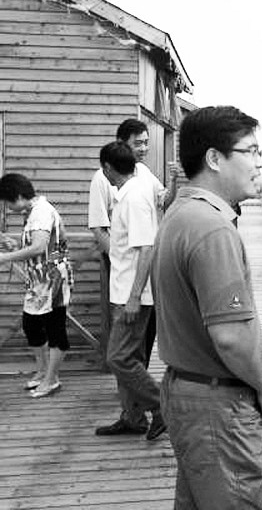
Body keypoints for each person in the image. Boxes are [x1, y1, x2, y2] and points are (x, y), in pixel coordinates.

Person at [153, 106, 262, 509]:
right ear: (214, 158)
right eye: (250, 151)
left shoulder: (181, 213)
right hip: (218, 407)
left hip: (190, 393)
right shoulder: (212, 227)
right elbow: (230, 336)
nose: (260, 163)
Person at [88, 118, 179, 368]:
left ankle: (138, 382)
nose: (144, 148)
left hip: (146, 263)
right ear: (122, 143)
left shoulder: (143, 174)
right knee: (124, 343)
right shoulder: (102, 178)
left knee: (143, 333)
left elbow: (163, 201)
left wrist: (173, 181)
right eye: (138, 143)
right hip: (125, 265)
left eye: (146, 143)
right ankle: (136, 383)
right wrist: (118, 258)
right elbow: (98, 226)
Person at [94, 142, 165, 441]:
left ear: (107, 168)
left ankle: (162, 406)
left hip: (132, 295)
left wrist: (135, 297)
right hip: (123, 292)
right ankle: (133, 417)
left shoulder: (134, 198)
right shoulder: (127, 194)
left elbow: (146, 248)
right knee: (131, 357)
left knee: (118, 358)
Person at [0, 174, 72, 398]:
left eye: (7, 202)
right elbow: (38, 246)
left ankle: (51, 379)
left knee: (55, 329)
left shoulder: (41, 212)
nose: (7, 207)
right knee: (31, 325)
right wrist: (15, 245)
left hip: (53, 279)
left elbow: (39, 247)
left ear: (18, 196)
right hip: (39, 281)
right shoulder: (33, 211)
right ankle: (43, 371)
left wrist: (4, 257)